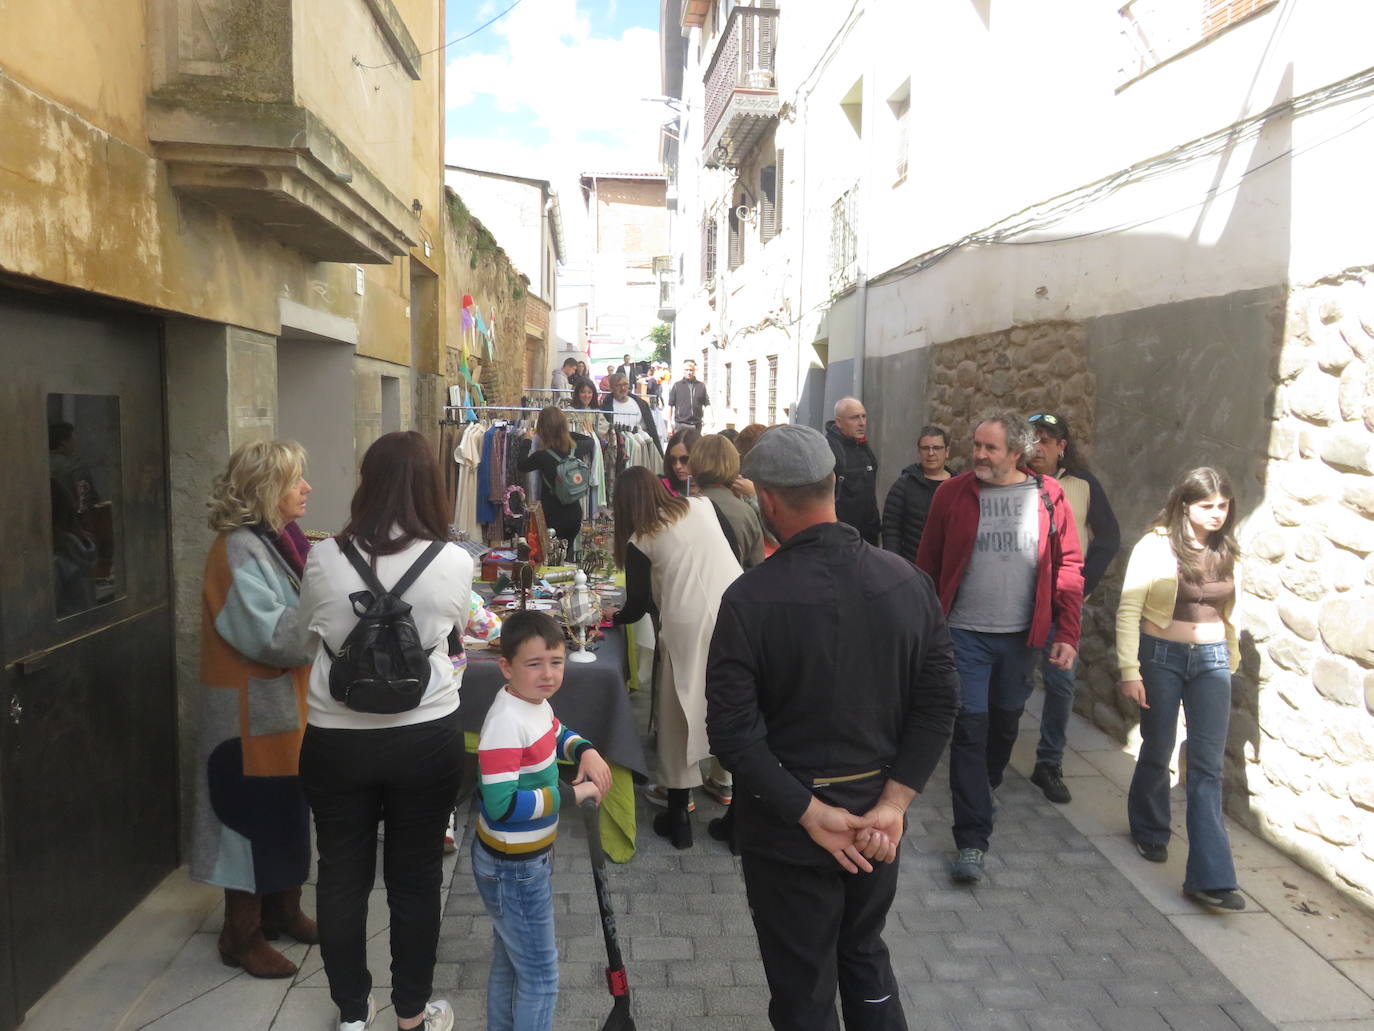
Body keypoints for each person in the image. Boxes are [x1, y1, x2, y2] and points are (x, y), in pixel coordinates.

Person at [706, 424, 959, 1031]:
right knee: (864, 955)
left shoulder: (749, 598)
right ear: (836, 485)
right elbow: (941, 702)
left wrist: (808, 812)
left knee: (802, 986)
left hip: (789, 828)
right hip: (875, 822)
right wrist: (895, 802)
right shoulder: (907, 582)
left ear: (765, 501)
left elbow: (733, 732)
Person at [297, 431, 472, 1031]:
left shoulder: (322, 556)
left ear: (365, 482)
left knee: (341, 874)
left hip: (335, 736)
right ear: (431, 485)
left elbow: (307, 631)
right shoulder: (453, 561)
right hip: (425, 734)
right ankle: (412, 1013)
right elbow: (457, 631)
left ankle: (351, 1012)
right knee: (416, 876)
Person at [915, 411, 1083, 885]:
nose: (980, 455)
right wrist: (922, 627)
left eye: (991, 448)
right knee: (969, 727)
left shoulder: (1049, 497)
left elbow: (1069, 568)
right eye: (977, 445)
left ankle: (985, 787)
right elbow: (926, 564)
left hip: (1020, 638)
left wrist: (1067, 632)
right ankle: (972, 839)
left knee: (1004, 723)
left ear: (1017, 453)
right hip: (963, 634)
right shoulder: (953, 493)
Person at [190, 439, 318, 980]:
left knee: (285, 807)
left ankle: (282, 910)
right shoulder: (239, 547)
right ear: (265, 490)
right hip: (246, 717)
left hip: (277, 709)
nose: (306, 488)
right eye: (294, 481)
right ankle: (240, 933)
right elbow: (272, 637)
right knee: (245, 815)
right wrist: (330, 608)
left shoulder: (275, 540)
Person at [473, 610, 612, 1030]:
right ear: (506, 667)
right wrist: (571, 794)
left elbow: (553, 731)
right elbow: (501, 805)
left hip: (519, 863)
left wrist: (584, 748)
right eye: (534, 664)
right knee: (542, 977)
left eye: (556, 662)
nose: (548, 674)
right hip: (513, 869)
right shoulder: (504, 723)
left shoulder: (530, 702)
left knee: (512, 964)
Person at [1118, 468, 1245, 912]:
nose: (1217, 513)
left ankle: (1210, 876)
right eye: (1208, 505)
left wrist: (1231, 656)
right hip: (1161, 657)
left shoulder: (1227, 548)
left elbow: (1233, 609)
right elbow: (1130, 605)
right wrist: (1128, 668)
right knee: (1159, 746)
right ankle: (1150, 828)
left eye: (1223, 505)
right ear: (1185, 504)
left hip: (1212, 661)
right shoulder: (1156, 545)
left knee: (1207, 766)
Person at [610, 467, 741, 849]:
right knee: (733, 704)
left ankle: (679, 814)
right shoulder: (702, 505)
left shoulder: (641, 539)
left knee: (679, 713)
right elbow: (730, 552)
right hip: (736, 610)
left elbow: (635, 606)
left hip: (686, 623)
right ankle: (734, 807)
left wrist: (607, 617)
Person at [1025, 412, 1122, 804]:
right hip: (1016, 601)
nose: (1038, 446)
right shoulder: (1013, 481)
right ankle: (991, 750)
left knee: (1061, 683)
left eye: (1046, 439)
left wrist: (1083, 585)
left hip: (1061, 602)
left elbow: (1109, 537)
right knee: (1012, 681)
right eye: (1033, 439)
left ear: (1062, 446)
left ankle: (1049, 762)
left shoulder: (1083, 485)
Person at [516, 406, 590, 562]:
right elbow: (590, 441)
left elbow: (521, 465)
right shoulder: (575, 449)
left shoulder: (542, 457)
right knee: (565, 560)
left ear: (542, 430)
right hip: (575, 515)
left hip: (552, 519)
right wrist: (563, 432)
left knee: (548, 562)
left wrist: (527, 441)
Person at [692, 434, 765, 570]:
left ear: (694, 463)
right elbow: (758, 567)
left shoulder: (681, 510)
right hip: (736, 587)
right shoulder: (746, 513)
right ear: (734, 464)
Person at [881, 425, 953, 561]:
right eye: (926, 448)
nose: (931, 453)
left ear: (947, 451)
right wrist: (895, 564)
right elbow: (891, 529)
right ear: (919, 452)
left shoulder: (957, 487)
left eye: (937, 448)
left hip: (947, 568)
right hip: (912, 566)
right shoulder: (903, 485)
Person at [825, 397, 880, 544]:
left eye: (864, 416)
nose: (862, 423)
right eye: (854, 418)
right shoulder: (829, 451)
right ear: (839, 422)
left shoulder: (863, 447)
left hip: (868, 537)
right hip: (841, 539)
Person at [599, 371, 663, 454]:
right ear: (611, 388)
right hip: (615, 451)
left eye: (625, 384)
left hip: (638, 450)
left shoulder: (640, 404)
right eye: (618, 385)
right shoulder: (606, 408)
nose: (623, 388)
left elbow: (650, 430)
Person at [667, 360, 709, 430]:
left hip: (697, 425)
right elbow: (670, 405)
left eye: (691, 370)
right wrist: (669, 424)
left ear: (694, 371)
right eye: (686, 370)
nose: (689, 372)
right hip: (681, 424)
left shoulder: (701, 386)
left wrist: (707, 424)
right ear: (683, 371)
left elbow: (707, 404)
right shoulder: (677, 386)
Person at [661, 426, 699, 496]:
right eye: (673, 460)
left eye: (685, 460)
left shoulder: (712, 489)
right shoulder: (661, 489)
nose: (678, 466)